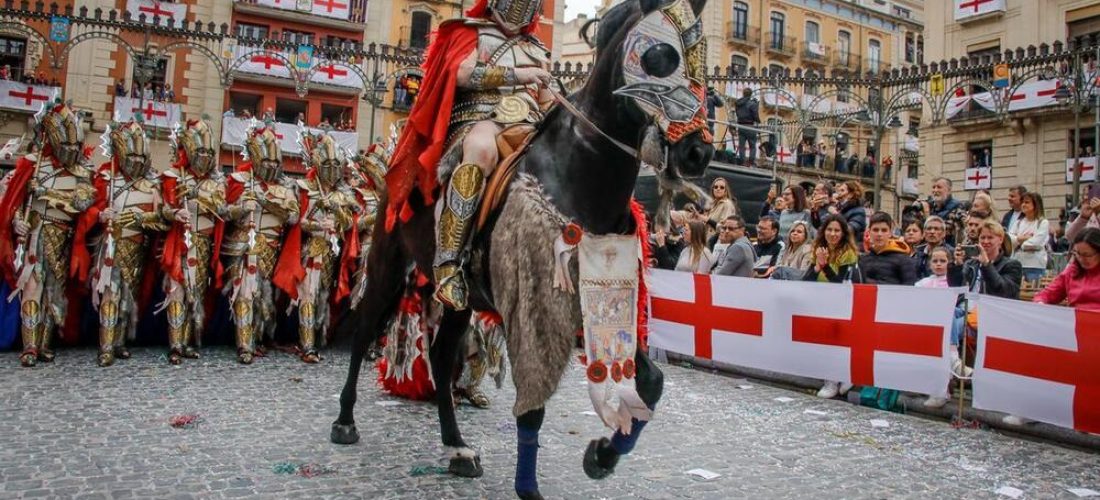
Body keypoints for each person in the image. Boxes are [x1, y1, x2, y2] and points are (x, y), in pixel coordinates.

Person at [386, 0, 552, 311]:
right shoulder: (472, 32)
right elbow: (462, 74)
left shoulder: (537, 49)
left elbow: (546, 101)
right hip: (477, 118)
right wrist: (520, 74)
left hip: (529, 125)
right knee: (481, 150)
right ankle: (449, 263)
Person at [0, 102, 96, 367]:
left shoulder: (83, 172)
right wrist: (18, 221)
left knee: (54, 293)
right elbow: (14, 202)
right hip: (36, 232)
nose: (72, 152)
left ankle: (44, 344)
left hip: (64, 236)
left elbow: (82, 203)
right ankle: (29, 346)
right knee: (32, 288)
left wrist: (46, 193)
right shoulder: (33, 164)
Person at [88, 120, 166, 367]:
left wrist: (143, 218)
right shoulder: (106, 178)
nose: (136, 160)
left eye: (140, 155)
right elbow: (88, 207)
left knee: (128, 297)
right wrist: (100, 215)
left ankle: (119, 342)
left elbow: (162, 218)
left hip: (138, 246)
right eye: (131, 154)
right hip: (112, 244)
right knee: (110, 294)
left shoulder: (152, 185)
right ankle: (106, 346)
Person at [222, 124, 302, 365]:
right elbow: (223, 212)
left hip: (271, 249)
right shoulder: (239, 180)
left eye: (274, 161)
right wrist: (240, 208)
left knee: (264, 300)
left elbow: (293, 216)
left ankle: (256, 339)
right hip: (243, 245)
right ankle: (244, 345)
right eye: (266, 161)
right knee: (244, 294)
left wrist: (266, 203)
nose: (271, 166)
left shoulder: (287, 187)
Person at [288, 129, 363, 363]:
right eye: (327, 165)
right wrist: (315, 222)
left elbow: (353, 220)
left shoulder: (344, 193)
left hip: (332, 252)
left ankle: (320, 337)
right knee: (307, 295)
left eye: (335, 165)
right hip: (312, 248)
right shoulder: (304, 187)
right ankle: (307, 344)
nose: (331, 170)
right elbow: (294, 220)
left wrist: (338, 211)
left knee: (323, 295)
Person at [159, 118, 224, 365]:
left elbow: (222, 209)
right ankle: (175, 344)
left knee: (195, 293)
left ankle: (185, 342)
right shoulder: (173, 176)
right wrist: (175, 212)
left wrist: (202, 197)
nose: (206, 156)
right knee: (177, 291)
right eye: (201, 151)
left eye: (209, 152)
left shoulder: (216, 181)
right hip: (182, 241)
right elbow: (162, 208)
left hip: (204, 241)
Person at [803, 214, 860, 399]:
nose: (833, 234)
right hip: (819, 302)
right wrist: (817, 267)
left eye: (837, 230)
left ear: (843, 233)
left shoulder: (848, 254)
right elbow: (807, 280)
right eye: (829, 230)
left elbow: (840, 283)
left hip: (839, 304)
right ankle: (830, 378)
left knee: (835, 343)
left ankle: (836, 378)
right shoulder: (819, 250)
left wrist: (825, 266)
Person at [1034, 228, 1100, 311]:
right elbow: (1046, 294)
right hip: (1076, 320)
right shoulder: (1072, 271)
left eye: (1087, 255)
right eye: (1077, 253)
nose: (1081, 259)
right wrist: (1040, 302)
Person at [860, 212, 917, 285]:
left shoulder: (904, 260)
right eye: (875, 230)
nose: (879, 234)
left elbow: (910, 289)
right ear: (869, 232)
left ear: (890, 233)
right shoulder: (862, 260)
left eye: (884, 230)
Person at [1008, 191, 1049, 283]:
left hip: (1035, 265)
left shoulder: (1042, 222)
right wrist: (1022, 238)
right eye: (1023, 202)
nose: (1023, 205)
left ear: (1035, 204)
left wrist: (1020, 244)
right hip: (1018, 263)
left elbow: (1037, 242)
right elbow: (1009, 239)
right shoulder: (1018, 222)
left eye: (1027, 202)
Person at [828, 180, 866, 246]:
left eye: (842, 191)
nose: (838, 193)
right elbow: (820, 225)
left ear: (851, 194)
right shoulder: (838, 207)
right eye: (838, 190)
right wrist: (816, 211)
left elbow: (850, 229)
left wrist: (835, 214)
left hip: (850, 247)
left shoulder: (859, 211)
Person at [734, 88, 760, 166]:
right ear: (751, 94)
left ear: (743, 93)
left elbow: (737, 113)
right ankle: (750, 162)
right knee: (752, 146)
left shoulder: (738, 103)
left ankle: (742, 161)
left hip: (741, 126)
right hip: (750, 126)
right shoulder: (752, 104)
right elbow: (755, 115)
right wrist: (758, 121)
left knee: (741, 146)